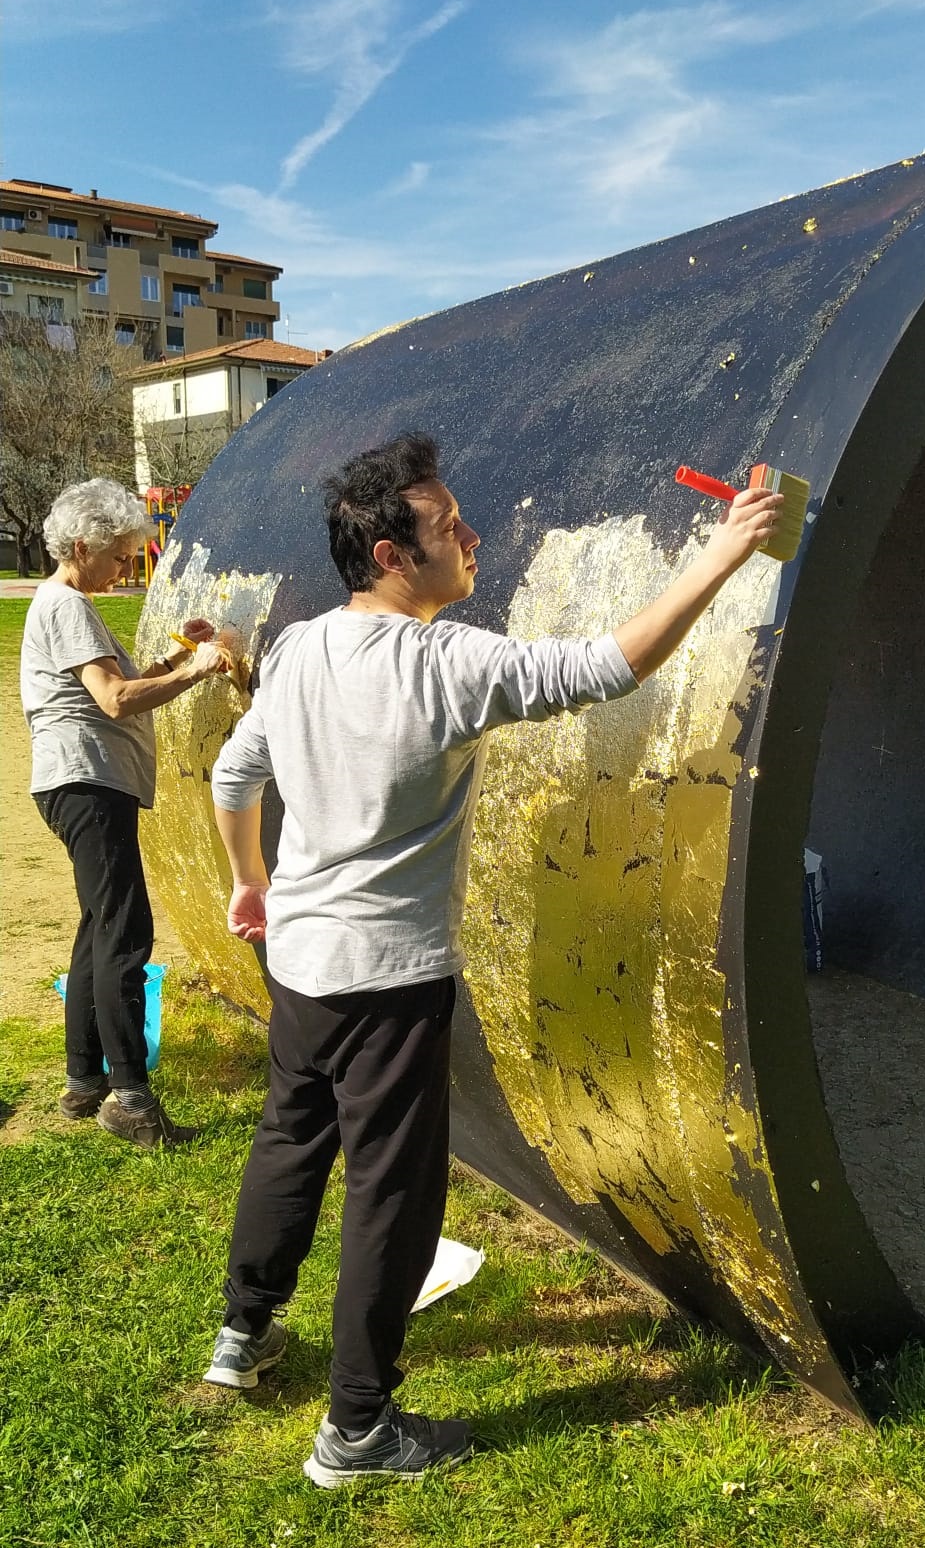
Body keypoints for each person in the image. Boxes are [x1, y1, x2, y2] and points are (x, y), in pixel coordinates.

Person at [205, 434, 782, 1487]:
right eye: (450, 527)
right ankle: (357, 1431)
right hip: (387, 980)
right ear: (391, 554)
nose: (474, 538)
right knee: (392, 1195)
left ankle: (243, 1337)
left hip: (300, 963)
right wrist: (725, 551)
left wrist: (252, 883)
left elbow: (231, 773)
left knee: (292, 1140)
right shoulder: (448, 663)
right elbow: (612, 665)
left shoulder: (294, 651)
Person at [20, 477, 233, 1150]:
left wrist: (174, 655)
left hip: (80, 783)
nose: (124, 566)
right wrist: (200, 670)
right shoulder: (65, 606)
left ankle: (84, 1081)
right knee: (123, 933)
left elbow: (118, 684)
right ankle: (130, 1099)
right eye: (118, 555)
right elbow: (114, 700)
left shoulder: (67, 604)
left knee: (99, 926)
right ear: (80, 546)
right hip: (87, 782)